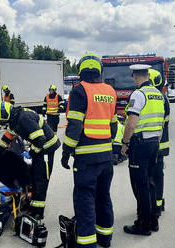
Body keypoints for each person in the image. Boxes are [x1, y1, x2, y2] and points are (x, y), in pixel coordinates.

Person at [61, 52, 117, 248]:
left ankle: (86, 244)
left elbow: (75, 126)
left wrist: (66, 151)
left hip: (86, 158)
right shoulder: (110, 91)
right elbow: (113, 125)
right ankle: (105, 238)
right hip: (106, 157)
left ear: (81, 71)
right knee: (103, 197)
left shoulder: (79, 90)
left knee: (84, 200)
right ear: (99, 71)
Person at [0, 101, 61, 220]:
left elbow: (40, 139)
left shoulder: (23, 119)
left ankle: (38, 213)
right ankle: (32, 206)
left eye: (3, 121)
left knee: (41, 180)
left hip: (46, 149)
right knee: (34, 177)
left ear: (6, 115)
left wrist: (29, 153)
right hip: (40, 149)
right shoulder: (15, 119)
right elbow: (8, 136)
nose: (4, 124)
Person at [121, 65, 165, 236]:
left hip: (140, 144)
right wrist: (157, 140)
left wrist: (125, 143)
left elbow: (131, 123)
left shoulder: (138, 94)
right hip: (155, 142)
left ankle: (143, 224)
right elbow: (161, 122)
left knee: (141, 186)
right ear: (147, 75)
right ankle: (153, 221)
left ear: (135, 76)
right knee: (150, 183)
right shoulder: (158, 95)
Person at [148, 68, 170, 217]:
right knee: (158, 176)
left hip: (152, 145)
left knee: (150, 176)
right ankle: (159, 203)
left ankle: (152, 206)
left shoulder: (150, 98)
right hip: (161, 145)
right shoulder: (163, 99)